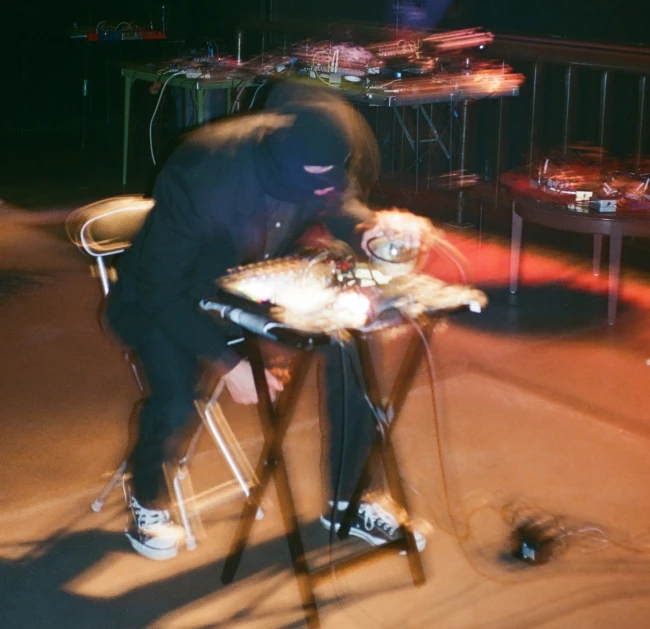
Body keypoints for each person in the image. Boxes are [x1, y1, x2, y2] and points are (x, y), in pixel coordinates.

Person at [106, 81, 431, 560]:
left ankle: (351, 497)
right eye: (312, 175)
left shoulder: (319, 157)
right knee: (176, 394)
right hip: (167, 295)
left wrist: (371, 232)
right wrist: (226, 361)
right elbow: (159, 288)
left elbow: (337, 202)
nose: (323, 183)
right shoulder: (204, 170)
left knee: (354, 344)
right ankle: (147, 493)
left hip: (249, 286)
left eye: (330, 172)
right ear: (280, 162)